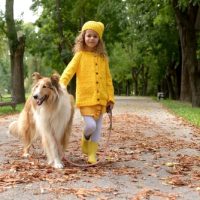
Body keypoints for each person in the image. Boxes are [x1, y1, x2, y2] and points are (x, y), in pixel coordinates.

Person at [60, 21, 115, 164]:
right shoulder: (80, 55)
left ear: (99, 40)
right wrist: (61, 84)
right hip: (85, 99)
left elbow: (108, 79)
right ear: (83, 37)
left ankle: (92, 154)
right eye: (89, 35)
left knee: (97, 130)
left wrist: (110, 98)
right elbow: (69, 71)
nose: (91, 38)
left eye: (95, 36)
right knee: (91, 126)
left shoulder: (103, 59)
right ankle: (85, 138)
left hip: (101, 100)